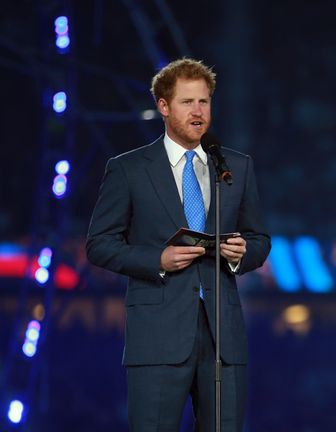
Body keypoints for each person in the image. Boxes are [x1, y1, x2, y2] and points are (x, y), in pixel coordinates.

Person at [86, 58, 271, 431]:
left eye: (204, 102)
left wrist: (242, 254)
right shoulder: (128, 169)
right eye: (188, 102)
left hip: (223, 339)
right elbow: (100, 244)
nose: (198, 111)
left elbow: (259, 238)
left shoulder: (234, 167)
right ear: (164, 106)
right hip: (156, 335)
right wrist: (158, 259)